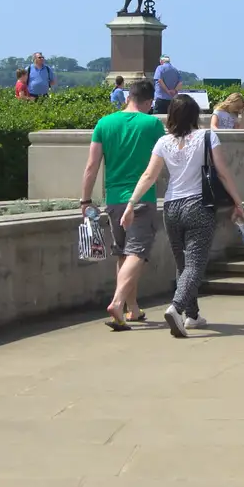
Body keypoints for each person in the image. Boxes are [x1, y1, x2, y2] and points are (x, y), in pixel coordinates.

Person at [124, 95, 244, 337]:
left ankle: (192, 315)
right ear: (194, 116)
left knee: (183, 264)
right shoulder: (208, 137)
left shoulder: (163, 142)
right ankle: (176, 308)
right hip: (199, 205)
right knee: (195, 265)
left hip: (171, 207)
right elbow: (223, 172)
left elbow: (149, 176)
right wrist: (238, 202)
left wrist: (131, 203)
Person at [82, 79, 165, 330]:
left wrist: (86, 200)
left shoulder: (104, 123)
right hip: (141, 199)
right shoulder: (152, 124)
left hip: (114, 199)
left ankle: (133, 308)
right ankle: (117, 303)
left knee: (123, 254)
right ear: (149, 102)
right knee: (137, 253)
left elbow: (91, 166)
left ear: (128, 97)